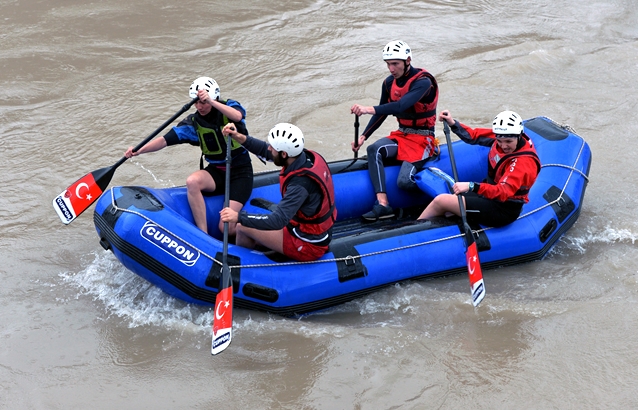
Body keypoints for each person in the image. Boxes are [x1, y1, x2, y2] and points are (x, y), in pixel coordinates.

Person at [124, 77, 253, 235]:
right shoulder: (194, 123)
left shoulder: (229, 107)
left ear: (214, 98)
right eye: (196, 102)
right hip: (217, 172)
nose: (199, 106)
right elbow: (164, 140)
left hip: (240, 173)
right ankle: (202, 234)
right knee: (192, 181)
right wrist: (139, 150)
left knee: (224, 227)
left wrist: (211, 102)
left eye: (203, 102)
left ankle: (252, 229)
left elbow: (238, 116)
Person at [219, 123, 336, 262]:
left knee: (241, 227)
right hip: (303, 228)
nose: (269, 148)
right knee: (250, 224)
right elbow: (264, 150)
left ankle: (242, 267)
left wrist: (239, 217)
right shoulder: (301, 157)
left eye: (272, 147)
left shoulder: (300, 184)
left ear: (284, 154)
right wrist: (238, 136)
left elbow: (278, 221)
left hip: (308, 244)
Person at [350, 40, 439, 221]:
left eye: (395, 64)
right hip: (402, 134)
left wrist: (368, 109)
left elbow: (400, 106)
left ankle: (437, 196)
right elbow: (383, 112)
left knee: (404, 182)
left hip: (424, 139)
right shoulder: (389, 83)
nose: (391, 69)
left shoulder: (423, 82)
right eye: (388, 64)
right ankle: (383, 205)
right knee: (374, 149)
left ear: (407, 60)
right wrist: (363, 136)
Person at [417, 110, 541, 227]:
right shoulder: (502, 137)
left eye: (508, 141)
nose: (504, 146)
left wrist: (472, 186)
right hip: (488, 197)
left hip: (502, 210)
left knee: (442, 201)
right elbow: (474, 135)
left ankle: (412, 232)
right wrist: (452, 123)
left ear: (519, 136)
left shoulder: (524, 162)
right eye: (499, 140)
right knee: (452, 197)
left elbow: (503, 192)